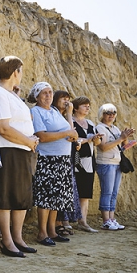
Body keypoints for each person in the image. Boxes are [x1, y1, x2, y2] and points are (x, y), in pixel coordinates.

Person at [0, 56, 39, 258]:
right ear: (15, 72)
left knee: (21, 196)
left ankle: (18, 238)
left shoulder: (11, 94)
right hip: (7, 150)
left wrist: (29, 141)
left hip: (22, 149)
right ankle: (7, 241)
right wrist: (27, 140)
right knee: (6, 196)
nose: (21, 75)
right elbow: (3, 128)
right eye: (21, 71)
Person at [29, 82, 79, 246]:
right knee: (46, 197)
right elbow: (42, 136)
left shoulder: (56, 111)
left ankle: (52, 230)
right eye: (44, 93)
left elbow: (72, 133)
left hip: (63, 159)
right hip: (48, 159)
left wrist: (70, 116)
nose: (48, 95)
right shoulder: (36, 111)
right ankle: (42, 233)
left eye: (50, 92)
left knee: (57, 198)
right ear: (37, 96)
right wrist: (66, 133)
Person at [95, 103, 135, 230]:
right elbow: (103, 147)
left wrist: (126, 139)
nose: (111, 115)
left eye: (113, 113)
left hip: (116, 163)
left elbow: (122, 147)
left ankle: (112, 219)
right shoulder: (100, 128)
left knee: (114, 193)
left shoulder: (115, 128)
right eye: (108, 113)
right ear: (102, 114)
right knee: (107, 192)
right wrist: (121, 138)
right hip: (106, 163)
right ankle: (106, 220)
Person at [71, 96, 103, 233]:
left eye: (88, 105)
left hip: (89, 161)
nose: (87, 107)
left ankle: (83, 221)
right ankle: (66, 221)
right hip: (75, 160)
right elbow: (71, 139)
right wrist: (88, 139)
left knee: (85, 193)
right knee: (71, 190)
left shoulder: (90, 123)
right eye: (84, 105)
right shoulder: (70, 122)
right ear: (76, 108)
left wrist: (96, 139)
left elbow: (97, 143)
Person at [52, 90, 81, 236]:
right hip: (55, 157)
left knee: (66, 191)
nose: (66, 101)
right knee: (57, 192)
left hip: (66, 157)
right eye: (63, 98)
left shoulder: (62, 116)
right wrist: (70, 114)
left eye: (68, 99)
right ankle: (58, 224)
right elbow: (70, 133)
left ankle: (64, 222)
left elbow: (72, 137)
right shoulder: (54, 114)